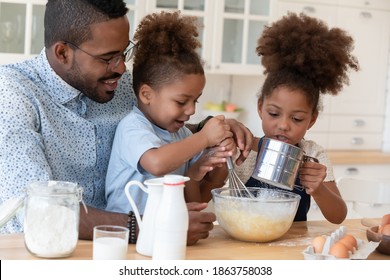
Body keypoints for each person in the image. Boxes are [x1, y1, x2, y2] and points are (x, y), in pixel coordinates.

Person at [0, 0, 254, 245]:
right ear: (63, 52)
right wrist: (150, 226)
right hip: (39, 251)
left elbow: (156, 128)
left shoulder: (114, 84)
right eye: (108, 57)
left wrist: (212, 129)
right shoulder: (13, 94)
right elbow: (40, 210)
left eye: (124, 53)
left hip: (118, 248)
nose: (121, 68)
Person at [105, 11, 235, 215]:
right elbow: (157, 164)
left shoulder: (182, 136)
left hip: (164, 233)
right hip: (129, 236)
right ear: (147, 94)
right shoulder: (132, 127)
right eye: (182, 101)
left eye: (196, 100)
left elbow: (195, 201)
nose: (192, 110)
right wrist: (205, 137)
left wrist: (218, 163)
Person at [240, 13, 359, 224]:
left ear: (311, 120)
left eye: (297, 119)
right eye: (274, 114)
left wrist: (318, 188)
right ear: (260, 107)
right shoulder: (244, 150)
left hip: (292, 247)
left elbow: (338, 216)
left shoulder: (314, 155)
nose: (284, 125)